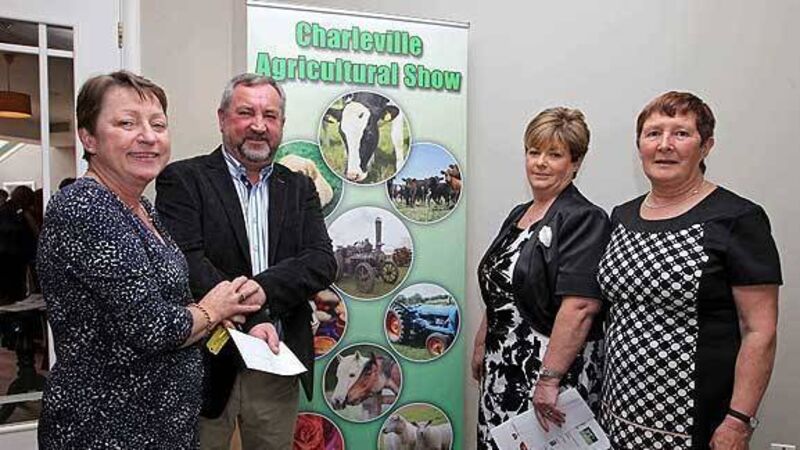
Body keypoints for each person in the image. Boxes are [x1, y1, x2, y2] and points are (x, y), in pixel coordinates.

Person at [36, 71, 263, 449]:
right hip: (107, 429)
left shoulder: (141, 207)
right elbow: (152, 327)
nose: (148, 136)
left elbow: (162, 302)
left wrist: (213, 311)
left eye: (158, 124)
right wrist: (213, 309)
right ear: (88, 138)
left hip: (159, 427)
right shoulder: (85, 207)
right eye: (127, 123)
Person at [156, 73, 336, 449]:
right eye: (245, 113)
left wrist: (263, 289)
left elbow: (321, 261)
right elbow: (188, 261)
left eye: (270, 115)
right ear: (222, 118)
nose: (258, 125)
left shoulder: (299, 187)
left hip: (275, 365)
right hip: (205, 364)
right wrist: (255, 317)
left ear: (281, 124)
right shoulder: (183, 180)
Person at [598, 91, 782, 450]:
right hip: (618, 412)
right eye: (653, 133)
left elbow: (760, 330)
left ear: (706, 146)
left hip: (697, 422)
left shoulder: (737, 218)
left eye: (681, 133)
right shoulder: (622, 216)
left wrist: (738, 421)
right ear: (639, 146)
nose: (664, 145)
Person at [472, 107, 610, 449]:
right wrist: (481, 343)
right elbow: (501, 288)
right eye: (534, 152)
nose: (541, 163)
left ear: (576, 162)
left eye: (555, 154)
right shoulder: (518, 215)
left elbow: (580, 307)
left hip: (549, 376)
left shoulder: (585, 219)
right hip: (504, 369)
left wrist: (549, 380)